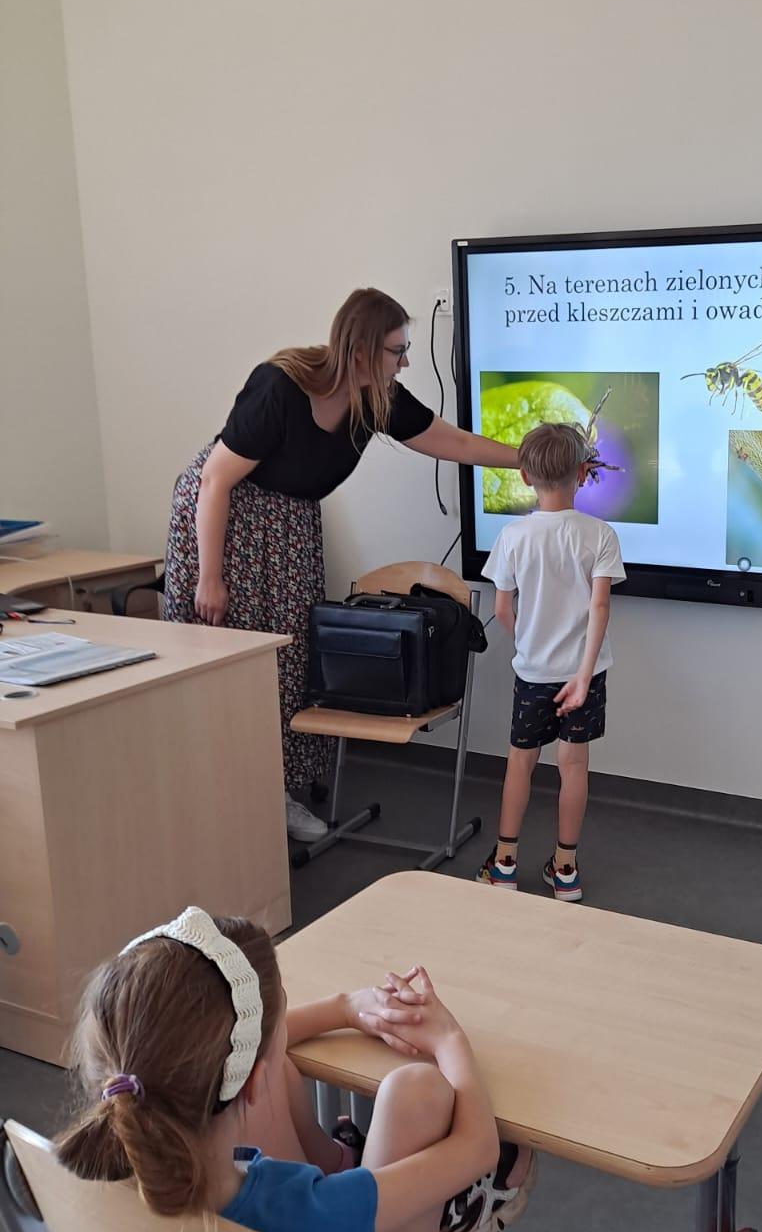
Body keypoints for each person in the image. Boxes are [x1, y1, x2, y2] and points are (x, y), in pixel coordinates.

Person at [55, 906, 533, 1232]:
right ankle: (433, 1225)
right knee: (419, 1094)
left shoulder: (102, 1167)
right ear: (249, 1075)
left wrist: (344, 1008)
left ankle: (347, 1163)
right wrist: (448, 1038)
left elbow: (244, 1063)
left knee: (279, 1076)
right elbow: (478, 1146)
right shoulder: (309, 1212)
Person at [162, 288, 520, 844]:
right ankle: (215, 794)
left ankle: (276, 793)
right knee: (224, 659)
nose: (405, 362)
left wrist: (525, 459)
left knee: (289, 660)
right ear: (359, 352)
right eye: (397, 351)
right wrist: (210, 577)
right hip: (227, 521)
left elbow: (453, 443)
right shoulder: (280, 386)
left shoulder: (378, 398)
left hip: (289, 529)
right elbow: (214, 480)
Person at [476, 421, 625, 902]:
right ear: (582, 474)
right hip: (585, 675)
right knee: (574, 765)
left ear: (524, 476)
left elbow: (502, 609)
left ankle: (504, 864)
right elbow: (599, 607)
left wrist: (528, 643)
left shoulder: (513, 535)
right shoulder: (600, 534)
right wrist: (582, 674)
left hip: (533, 674)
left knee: (520, 763)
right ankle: (565, 870)